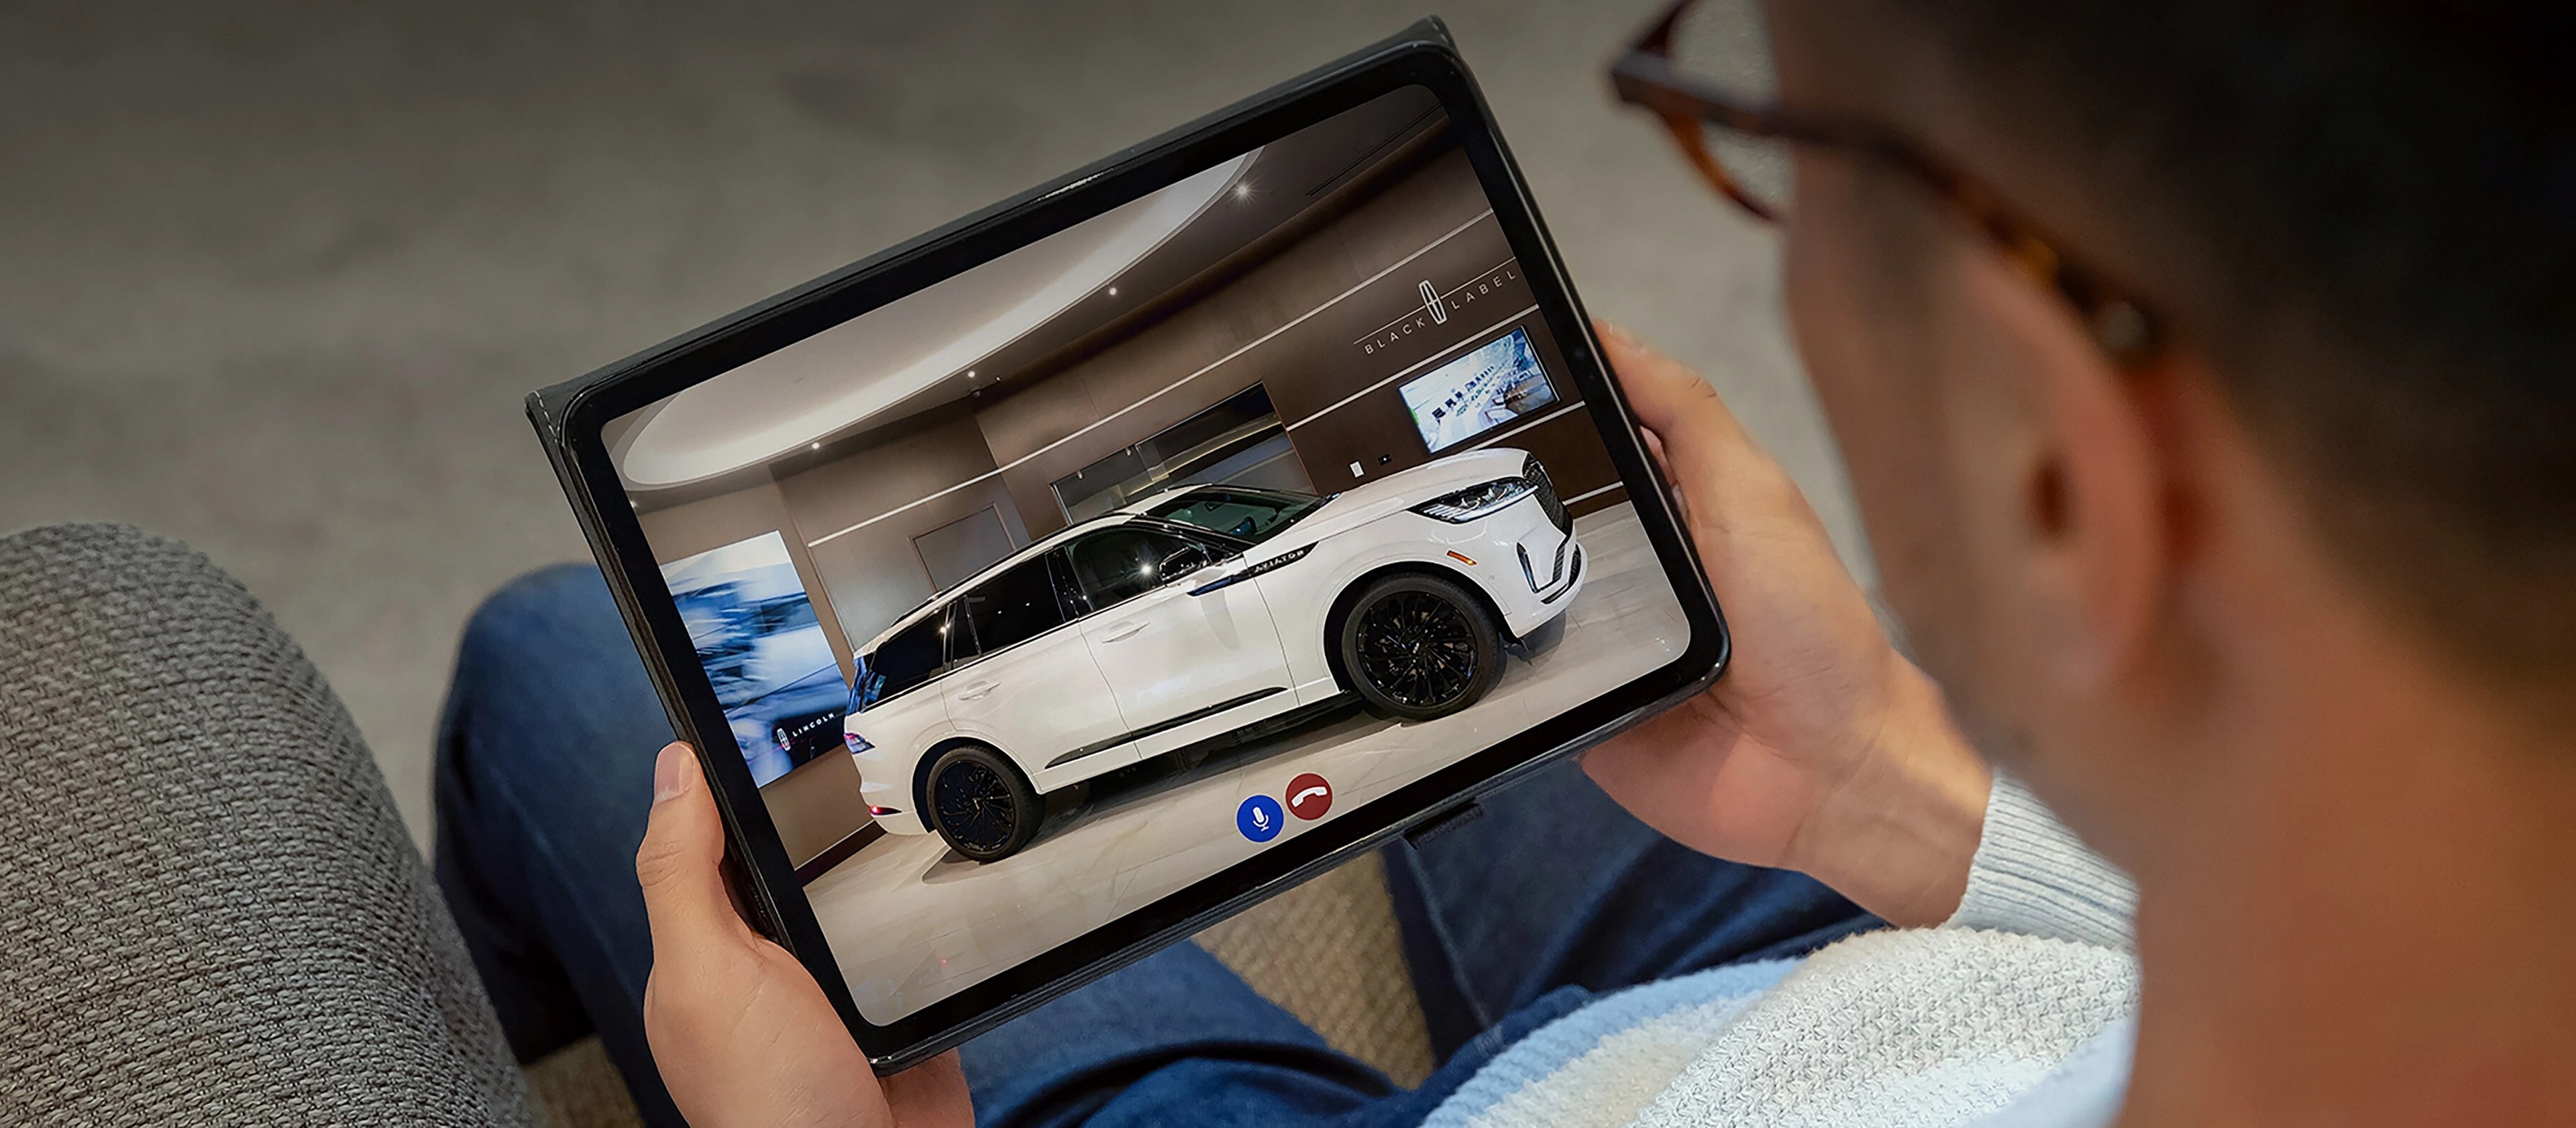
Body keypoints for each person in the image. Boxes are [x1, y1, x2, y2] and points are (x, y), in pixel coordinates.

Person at [435, 0, 2576, 1125]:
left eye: (1763, 128)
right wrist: (1898, 790)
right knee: (1603, 712)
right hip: (1975, 958)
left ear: (2065, 473)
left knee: (559, 646)